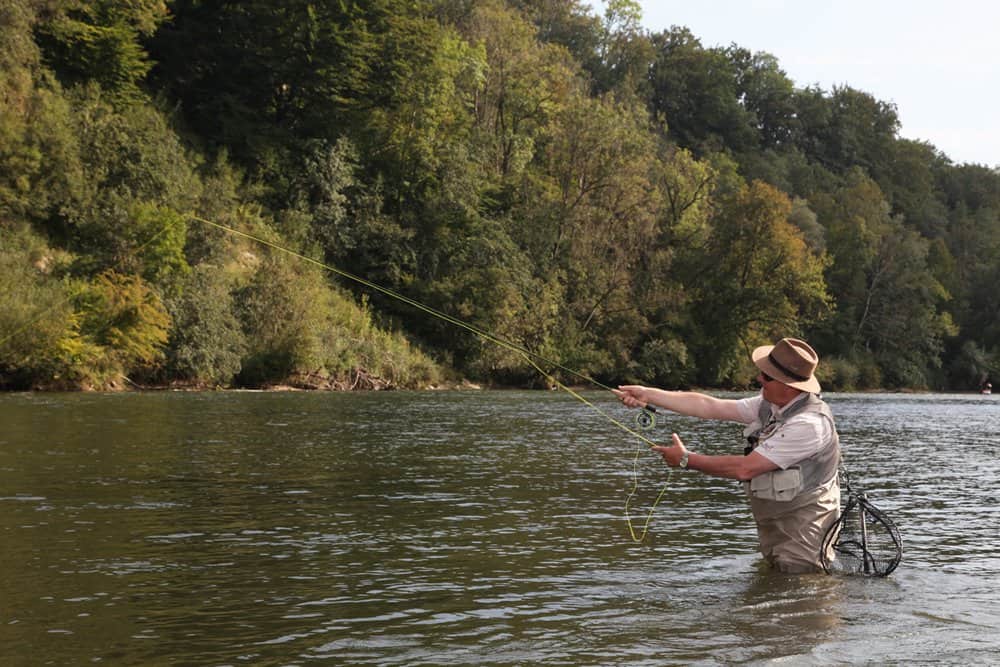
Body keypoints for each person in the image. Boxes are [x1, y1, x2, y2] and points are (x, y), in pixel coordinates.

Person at [614, 337, 840, 574]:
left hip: (805, 526)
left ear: (790, 386)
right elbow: (710, 406)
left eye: (767, 376)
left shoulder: (809, 424)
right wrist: (648, 394)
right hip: (778, 520)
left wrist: (685, 459)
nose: (759, 379)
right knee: (778, 583)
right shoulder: (770, 404)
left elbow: (745, 469)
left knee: (803, 588)